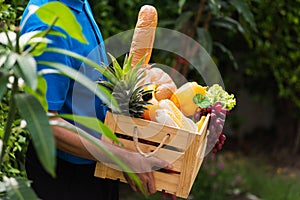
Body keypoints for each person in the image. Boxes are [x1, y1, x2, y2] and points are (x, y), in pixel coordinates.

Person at [20, 0, 172, 199]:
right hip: (66, 177)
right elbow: (45, 123)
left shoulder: (79, 4)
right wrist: (123, 158)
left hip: (97, 163)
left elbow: (87, 86)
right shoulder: (49, 27)